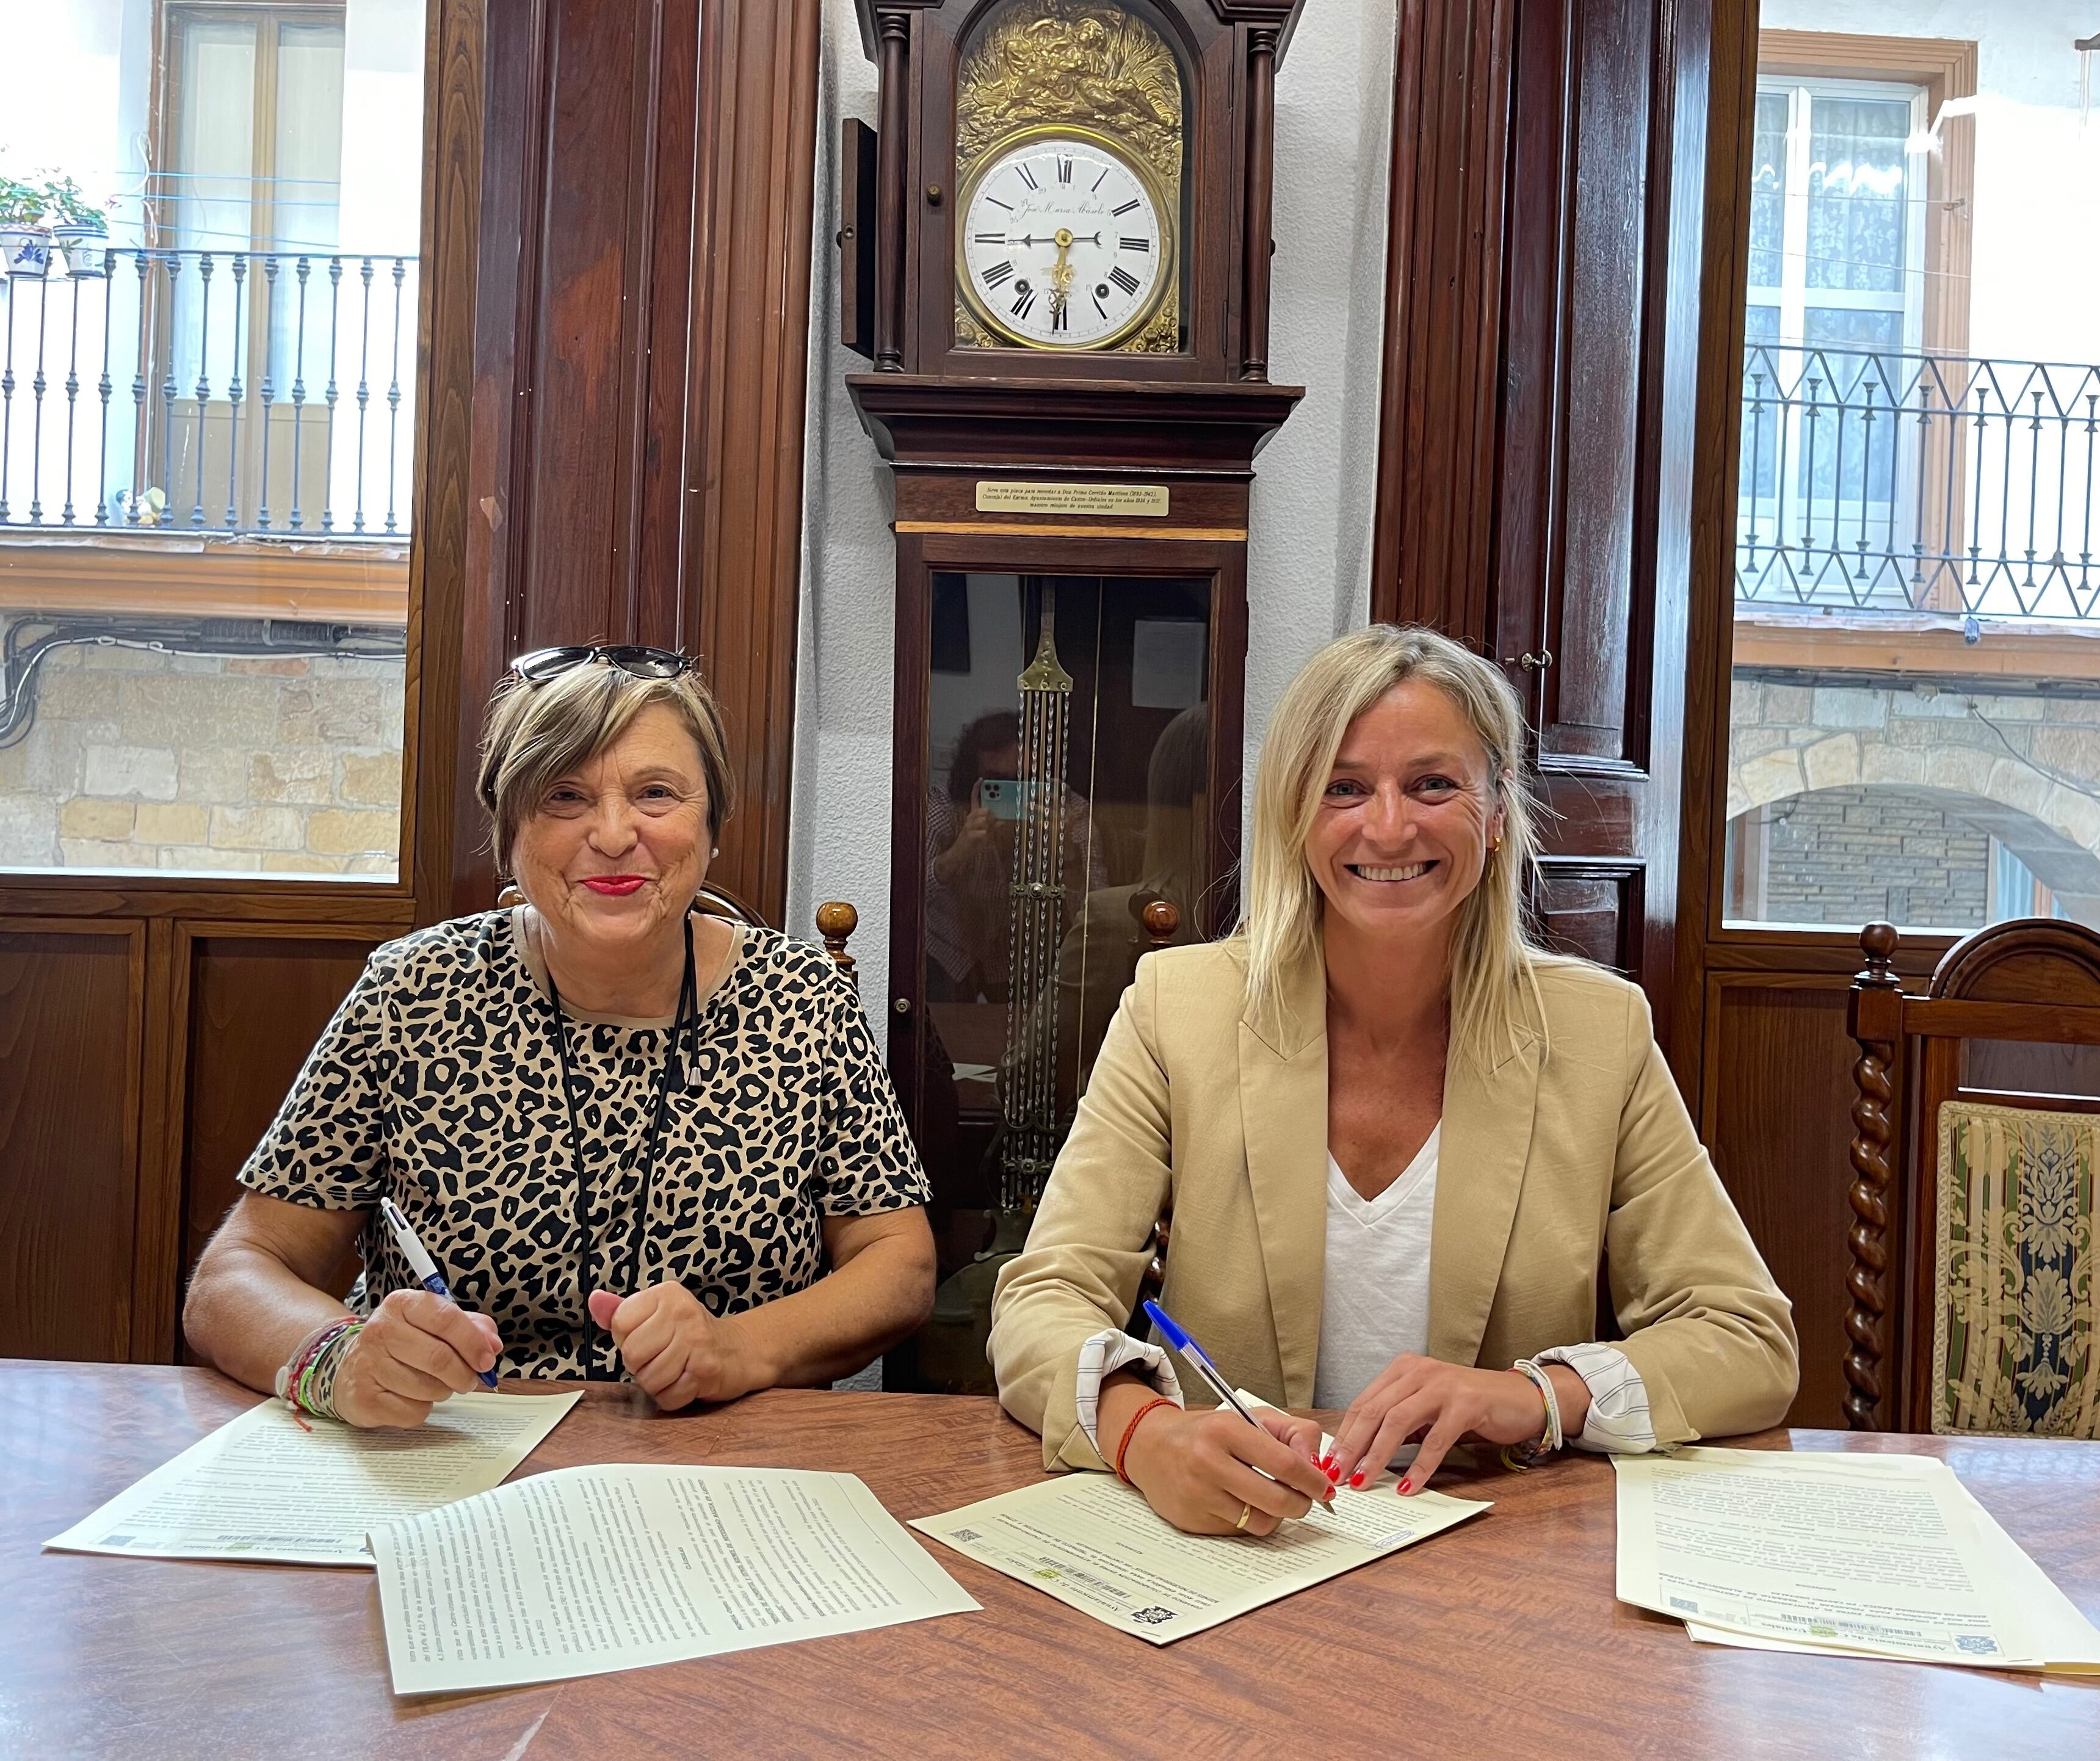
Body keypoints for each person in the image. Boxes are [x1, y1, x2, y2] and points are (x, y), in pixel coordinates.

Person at [988, 625, 1798, 1536]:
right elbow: (1042, 1301)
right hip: (1244, 1546)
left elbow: (1746, 1339)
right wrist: (1147, 1434)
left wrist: (1537, 1396)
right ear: (1295, 816)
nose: (1387, 826)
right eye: (1344, 787)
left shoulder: (1597, 1032)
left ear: (1496, 815)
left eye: (1433, 785)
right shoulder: (1178, 1009)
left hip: (1498, 1548)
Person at [184, 645, 935, 1426]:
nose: (612, 836)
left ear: (714, 823)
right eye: (564, 796)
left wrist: (740, 1347)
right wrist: (338, 1357)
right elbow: (236, 1273)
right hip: (446, 1450)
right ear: (508, 831)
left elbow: (899, 1263)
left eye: (655, 793)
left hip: (720, 1461)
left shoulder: (800, 1000)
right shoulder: (412, 991)